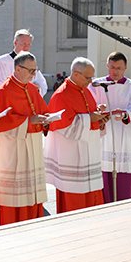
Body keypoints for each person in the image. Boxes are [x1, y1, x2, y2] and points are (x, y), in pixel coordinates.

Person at [0, 52, 49, 225]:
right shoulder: (4, 91)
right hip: (14, 151)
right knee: (15, 200)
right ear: (17, 69)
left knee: (32, 195)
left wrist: (47, 120)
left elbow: (42, 111)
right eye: (30, 71)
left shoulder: (31, 89)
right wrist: (28, 121)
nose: (33, 75)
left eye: (34, 71)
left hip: (33, 147)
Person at [44, 57, 108, 213]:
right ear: (76, 74)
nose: (91, 81)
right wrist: (90, 118)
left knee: (93, 201)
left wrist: (100, 118)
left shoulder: (85, 90)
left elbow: (89, 117)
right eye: (88, 77)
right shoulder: (61, 95)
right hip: (72, 158)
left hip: (89, 154)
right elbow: (63, 127)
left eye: (92, 77)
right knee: (74, 205)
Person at [90, 52, 131, 202]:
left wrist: (124, 114)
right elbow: (89, 104)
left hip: (125, 136)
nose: (115, 71)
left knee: (124, 171)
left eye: (119, 68)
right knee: (104, 169)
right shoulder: (96, 85)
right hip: (104, 135)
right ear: (107, 66)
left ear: (125, 68)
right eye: (112, 67)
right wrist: (98, 109)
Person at [0, 29, 47, 95]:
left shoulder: (31, 63)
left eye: (28, 44)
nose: (26, 47)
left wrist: (37, 88)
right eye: (23, 44)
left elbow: (42, 85)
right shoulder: (1, 61)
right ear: (15, 43)